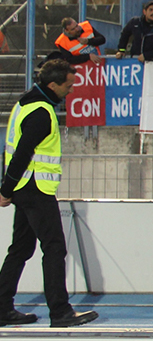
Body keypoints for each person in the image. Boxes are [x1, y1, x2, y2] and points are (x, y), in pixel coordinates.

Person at [0, 60, 98, 327]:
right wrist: (4, 190)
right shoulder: (41, 113)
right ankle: (60, 312)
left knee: (20, 248)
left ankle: (2, 307)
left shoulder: (25, 103)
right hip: (36, 188)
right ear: (53, 85)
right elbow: (22, 154)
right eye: (68, 85)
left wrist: (9, 187)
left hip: (24, 187)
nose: (71, 90)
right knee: (54, 248)